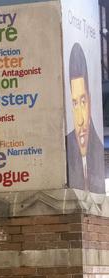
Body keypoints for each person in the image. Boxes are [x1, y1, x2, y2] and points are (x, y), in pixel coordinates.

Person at [66, 42, 105, 193]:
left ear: (90, 100)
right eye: (75, 103)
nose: (81, 120)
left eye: (83, 101)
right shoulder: (64, 149)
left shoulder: (98, 149)